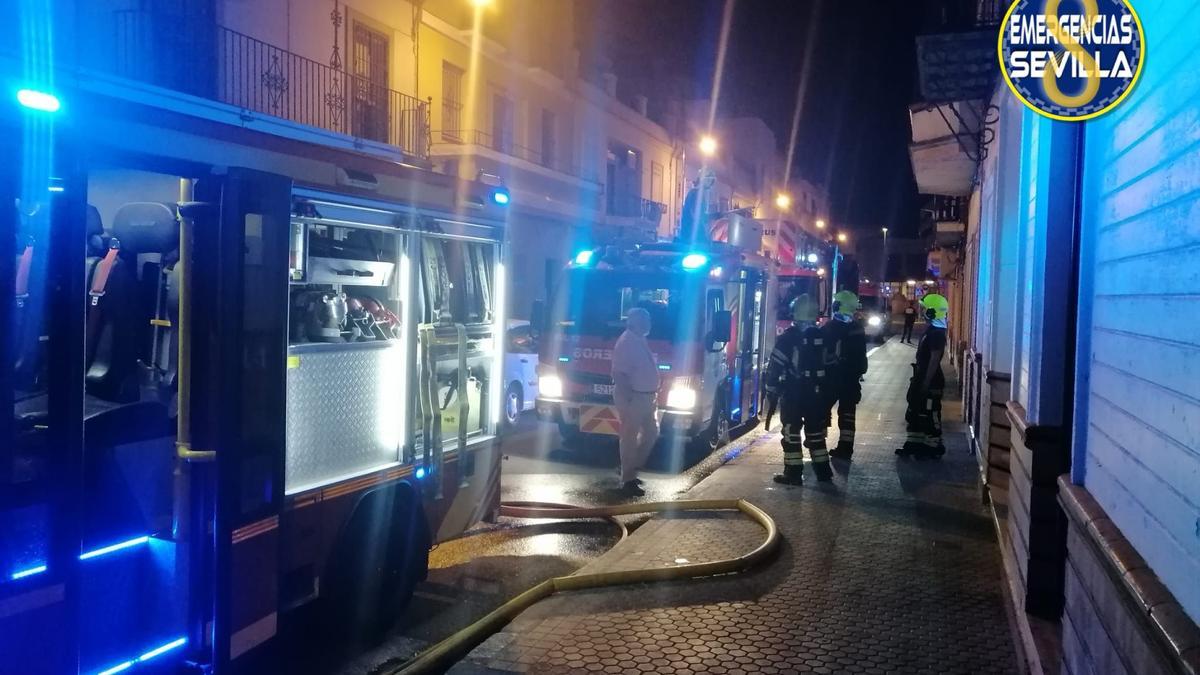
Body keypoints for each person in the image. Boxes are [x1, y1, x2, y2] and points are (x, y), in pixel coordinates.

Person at [765, 294, 833, 484]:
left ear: (795, 314)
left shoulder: (788, 338)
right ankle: (824, 472)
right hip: (817, 394)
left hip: (794, 394)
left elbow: (775, 366)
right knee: (815, 434)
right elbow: (831, 365)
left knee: (791, 433)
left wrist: (771, 387)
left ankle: (793, 474)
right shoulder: (823, 336)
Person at [611, 307, 660, 495]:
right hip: (635, 398)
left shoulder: (639, 339)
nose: (649, 323)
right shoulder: (627, 342)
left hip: (646, 397)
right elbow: (618, 373)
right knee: (630, 438)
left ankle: (630, 468)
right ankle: (628, 479)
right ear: (635, 322)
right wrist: (629, 397)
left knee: (651, 433)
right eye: (645, 320)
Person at [897, 294, 949, 458]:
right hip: (921, 375)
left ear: (933, 312)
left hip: (931, 380)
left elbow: (935, 358)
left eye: (925, 308)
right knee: (915, 409)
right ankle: (914, 444)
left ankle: (933, 447)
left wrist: (926, 382)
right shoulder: (932, 329)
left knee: (929, 412)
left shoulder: (937, 333)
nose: (921, 310)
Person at [824, 290, 868, 460]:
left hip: (833, 377)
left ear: (838, 306)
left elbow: (823, 353)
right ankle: (846, 447)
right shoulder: (857, 328)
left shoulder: (832, 327)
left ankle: (818, 441)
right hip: (852, 379)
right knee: (848, 414)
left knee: (821, 409)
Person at [677, 168, 716, 244]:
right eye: (709, 180)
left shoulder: (696, 194)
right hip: (691, 239)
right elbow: (697, 217)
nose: (710, 183)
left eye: (711, 181)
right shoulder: (695, 194)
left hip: (691, 237)